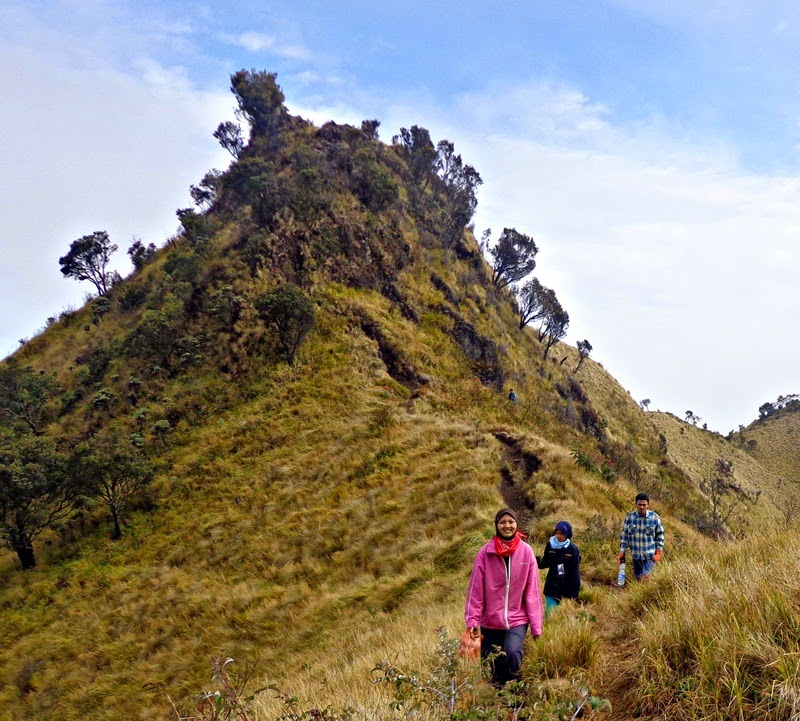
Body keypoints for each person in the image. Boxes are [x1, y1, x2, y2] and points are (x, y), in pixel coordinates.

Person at [465, 508, 543, 686]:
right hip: (490, 620)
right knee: (490, 665)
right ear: (496, 525)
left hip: (517, 618)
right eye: (502, 522)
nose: (507, 526)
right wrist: (472, 621)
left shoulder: (526, 552)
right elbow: (475, 590)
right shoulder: (485, 553)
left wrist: (536, 627)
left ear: (516, 525)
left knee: (512, 652)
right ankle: (495, 701)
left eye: (511, 522)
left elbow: (533, 593)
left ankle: (515, 694)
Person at [618, 492, 664, 581]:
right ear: (636, 505)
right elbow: (624, 536)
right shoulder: (629, 518)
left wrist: (658, 552)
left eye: (644, 505)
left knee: (645, 578)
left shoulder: (654, 517)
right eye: (639, 505)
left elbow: (660, 535)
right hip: (636, 557)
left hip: (650, 557)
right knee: (637, 579)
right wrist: (622, 552)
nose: (641, 507)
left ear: (648, 505)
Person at [537, 521, 581, 614]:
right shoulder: (550, 545)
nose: (558, 536)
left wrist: (574, 592)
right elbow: (545, 563)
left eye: (562, 534)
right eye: (557, 533)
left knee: (563, 615)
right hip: (552, 584)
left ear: (567, 534)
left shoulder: (572, 549)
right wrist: (536, 562)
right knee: (549, 613)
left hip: (566, 585)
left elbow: (575, 571)